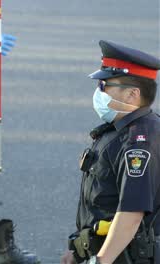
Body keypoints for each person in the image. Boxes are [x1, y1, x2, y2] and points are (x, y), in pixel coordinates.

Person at [61, 40, 160, 264]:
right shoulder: (117, 131)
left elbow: (131, 214)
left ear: (132, 94)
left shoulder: (139, 143)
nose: (99, 92)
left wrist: (101, 261)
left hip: (125, 257)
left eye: (105, 86)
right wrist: (78, 251)